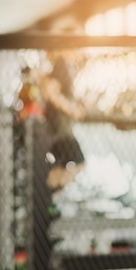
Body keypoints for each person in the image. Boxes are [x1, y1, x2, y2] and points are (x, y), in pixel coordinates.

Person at [41, 50, 88, 192]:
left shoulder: (66, 67)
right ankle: (50, 193)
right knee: (79, 162)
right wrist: (71, 109)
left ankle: (50, 197)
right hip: (60, 130)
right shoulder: (60, 64)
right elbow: (51, 91)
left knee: (61, 166)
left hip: (59, 129)